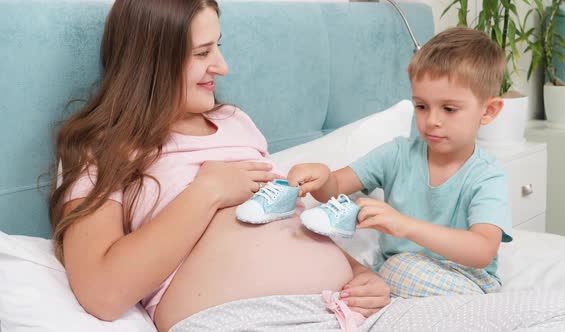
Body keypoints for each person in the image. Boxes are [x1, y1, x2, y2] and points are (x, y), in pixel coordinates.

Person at [48, 1, 390, 331]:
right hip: (247, 319)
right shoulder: (102, 147)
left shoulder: (235, 121)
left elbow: (289, 222)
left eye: (218, 47)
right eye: (202, 53)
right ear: (150, 61)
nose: (222, 67)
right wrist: (207, 191)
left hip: (349, 312)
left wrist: (362, 275)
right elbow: (101, 293)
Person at [287, 26, 513, 299]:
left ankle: (478, 310)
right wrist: (322, 177)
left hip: (466, 280)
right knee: (390, 268)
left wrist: (403, 225)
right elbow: (335, 188)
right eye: (421, 106)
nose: (432, 121)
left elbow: (482, 250)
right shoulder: (396, 155)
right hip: (403, 272)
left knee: (397, 269)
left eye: (449, 109)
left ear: (488, 111)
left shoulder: (486, 175)